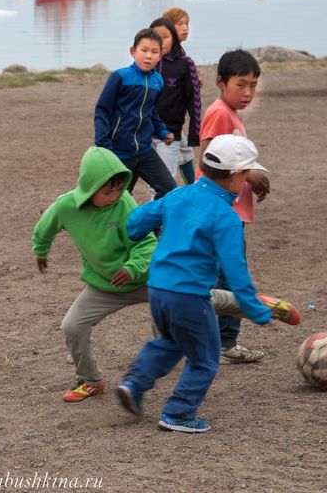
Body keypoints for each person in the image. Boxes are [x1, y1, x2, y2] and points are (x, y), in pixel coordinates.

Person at [32, 146, 298, 404]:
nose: (114, 195)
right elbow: (45, 227)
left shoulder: (123, 201)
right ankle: (90, 380)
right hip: (104, 285)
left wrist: (132, 267)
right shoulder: (66, 206)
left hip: (149, 279)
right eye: (106, 191)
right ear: (89, 186)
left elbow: (145, 242)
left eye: (118, 188)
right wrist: (41, 252)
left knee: (203, 302)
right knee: (72, 326)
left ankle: (259, 304)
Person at [115, 135, 277, 433]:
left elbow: (136, 221)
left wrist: (138, 234)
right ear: (234, 176)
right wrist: (255, 310)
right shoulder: (226, 217)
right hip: (189, 296)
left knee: (170, 342)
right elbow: (236, 272)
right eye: (245, 175)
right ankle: (178, 412)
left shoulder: (178, 195)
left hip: (158, 290)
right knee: (204, 358)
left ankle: (134, 384)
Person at [198, 49, 271, 363]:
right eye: (241, 84)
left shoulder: (231, 115)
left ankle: (221, 340)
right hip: (221, 211)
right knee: (224, 276)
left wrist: (252, 176)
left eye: (253, 85)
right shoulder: (219, 113)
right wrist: (250, 174)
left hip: (230, 210)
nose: (248, 92)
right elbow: (208, 158)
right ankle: (222, 342)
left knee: (223, 274)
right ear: (220, 82)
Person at [94, 28, 177, 201]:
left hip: (145, 151)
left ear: (160, 56)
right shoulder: (120, 77)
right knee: (117, 198)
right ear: (133, 52)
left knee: (169, 189)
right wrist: (104, 145)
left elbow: (152, 112)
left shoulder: (158, 81)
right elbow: (102, 110)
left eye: (154, 52)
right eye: (144, 50)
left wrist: (162, 132)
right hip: (118, 152)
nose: (148, 56)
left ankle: (153, 225)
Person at [148, 17, 200, 188]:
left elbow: (194, 99)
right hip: (144, 132)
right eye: (156, 37)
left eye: (166, 37)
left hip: (170, 133)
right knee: (150, 182)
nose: (161, 42)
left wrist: (195, 132)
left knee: (166, 181)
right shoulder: (146, 63)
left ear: (174, 38)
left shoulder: (185, 64)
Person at [162, 7, 202, 185]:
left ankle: (192, 189)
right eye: (180, 24)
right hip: (161, 123)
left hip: (173, 123)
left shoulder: (182, 57)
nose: (185, 28)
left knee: (185, 154)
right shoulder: (159, 56)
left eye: (187, 24)